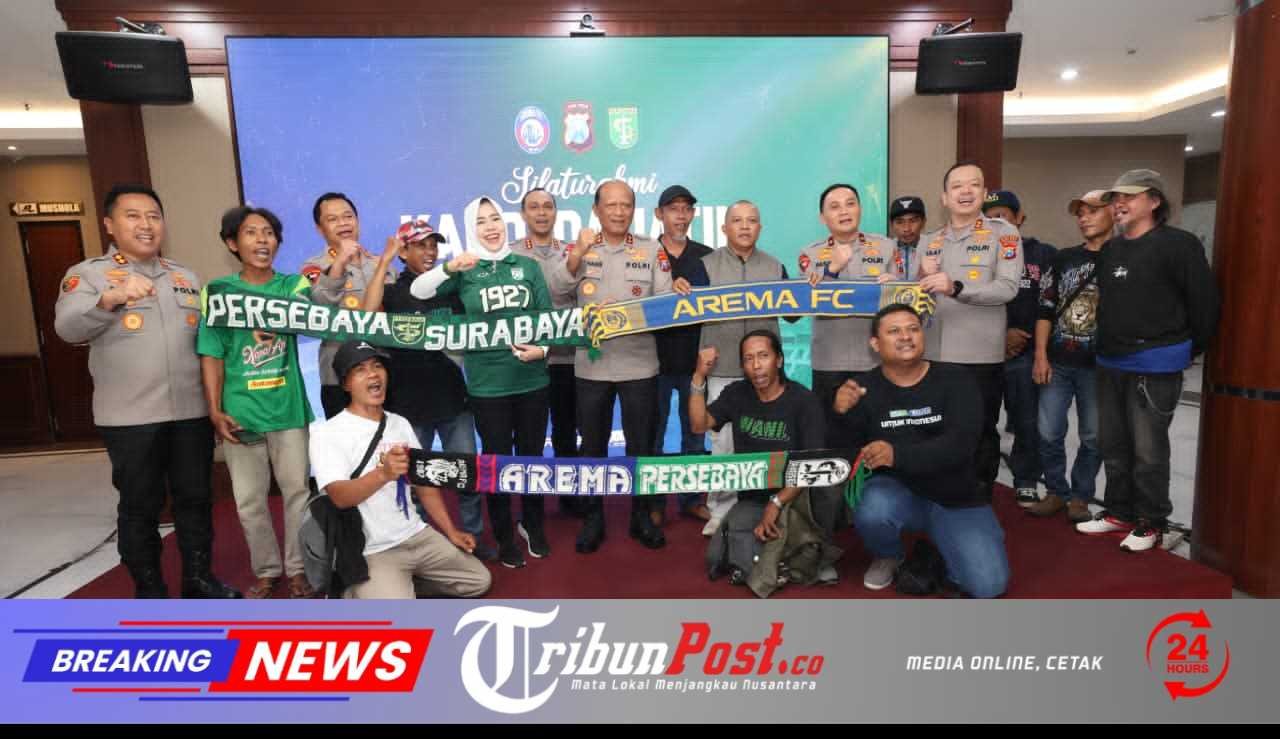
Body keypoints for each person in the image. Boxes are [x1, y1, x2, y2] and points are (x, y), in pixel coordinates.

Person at [54, 183, 240, 598]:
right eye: (133, 216)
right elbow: (67, 328)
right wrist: (111, 299)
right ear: (109, 224)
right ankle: (150, 589)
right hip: (131, 419)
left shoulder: (185, 277)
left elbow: (209, 345)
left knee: (196, 500)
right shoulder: (89, 274)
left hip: (190, 414)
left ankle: (198, 580)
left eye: (154, 216)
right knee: (140, 507)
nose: (146, 225)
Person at [1076, 169, 1219, 551]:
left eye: (1130, 196)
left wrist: (1186, 350)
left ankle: (1152, 522)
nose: (1119, 204)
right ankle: (1119, 512)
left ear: (1155, 201)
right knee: (1112, 445)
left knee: (1148, 450)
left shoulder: (1179, 245)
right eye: (1115, 198)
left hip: (1155, 364)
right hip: (1110, 361)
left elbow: (1205, 305)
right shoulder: (1112, 249)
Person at [411, 196, 553, 568]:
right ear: (471, 228)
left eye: (495, 219)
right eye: (481, 221)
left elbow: (548, 319)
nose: (490, 227)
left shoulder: (527, 266)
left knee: (532, 459)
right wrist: (450, 267)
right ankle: (504, 534)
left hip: (532, 381)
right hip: (488, 386)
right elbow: (418, 291)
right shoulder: (465, 269)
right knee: (495, 463)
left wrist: (542, 350)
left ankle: (532, 525)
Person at [832, 304, 1009, 598]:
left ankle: (939, 550)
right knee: (873, 506)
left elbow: (961, 446)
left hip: (955, 495)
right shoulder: (861, 388)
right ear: (875, 344)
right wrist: (841, 413)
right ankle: (889, 554)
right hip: (896, 492)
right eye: (894, 331)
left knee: (988, 586)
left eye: (913, 329)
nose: (906, 336)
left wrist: (897, 455)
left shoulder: (956, 379)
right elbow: (848, 454)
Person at [309, 340, 491, 599]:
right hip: (373, 549)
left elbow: (423, 484)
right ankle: (365, 589)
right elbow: (339, 497)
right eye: (360, 369)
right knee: (399, 613)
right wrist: (382, 474)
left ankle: (400, 585)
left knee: (478, 581)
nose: (373, 374)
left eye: (377, 366)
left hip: (416, 535)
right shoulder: (328, 433)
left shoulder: (399, 423)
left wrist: (451, 531)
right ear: (345, 384)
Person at [198, 206, 315, 599]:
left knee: (298, 493)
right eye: (251, 232)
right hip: (240, 412)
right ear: (232, 243)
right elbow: (211, 353)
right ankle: (266, 571)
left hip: (288, 410)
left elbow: (313, 314)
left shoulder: (293, 286)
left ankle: (298, 569)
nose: (262, 239)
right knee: (249, 501)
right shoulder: (218, 292)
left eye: (269, 232)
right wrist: (214, 410)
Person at [554, 180, 675, 553]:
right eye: (611, 205)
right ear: (596, 209)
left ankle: (642, 516)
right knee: (592, 447)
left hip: (639, 365)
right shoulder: (579, 248)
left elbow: (666, 303)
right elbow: (557, 292)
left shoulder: (651, 249)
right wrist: (577, 253)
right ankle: (593, 517)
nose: (619, 212)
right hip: (591, 368)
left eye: (626, 205)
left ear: (633, 210)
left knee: (642, 448)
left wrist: (627, 314)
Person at [359, 218, 490, 560]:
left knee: (467, 475)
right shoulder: (393, 292)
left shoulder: (449, 287)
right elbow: (366, 315)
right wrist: (384, 261)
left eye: (433, 245)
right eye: (421, 245)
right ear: (403, 252)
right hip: (409, 405)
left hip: (453, 399)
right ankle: (422, 548)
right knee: (415, 482)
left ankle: (473, 539)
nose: (430, 251)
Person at [917, 162, 1023, 502]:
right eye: (957, 186)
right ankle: (936, 501)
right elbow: (915, 300)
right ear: (944, 197)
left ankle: (977, 504)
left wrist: (957, 287)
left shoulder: (1003, 234)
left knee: (979, 433)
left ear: (983, 193)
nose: (965, 191)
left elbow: (1007, 288)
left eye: (973, 185)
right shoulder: (928, 242)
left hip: (979, 357)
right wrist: (903, 283)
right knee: (933, 430)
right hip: (932, 356)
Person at [799, 184, 900, 540]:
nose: (844, 211)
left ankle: (878, 516)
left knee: (879, 439)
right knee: (832, 443)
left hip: (876, 363)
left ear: (859, 209)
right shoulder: (811, 254)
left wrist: (896, 285)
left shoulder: (885, 248)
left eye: (850, 203)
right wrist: (832, 271)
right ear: (822, 217)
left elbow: (905, 306)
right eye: (834, 206)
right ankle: (832, 523)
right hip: (830, 363)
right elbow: (806, 307)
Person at [689, 330, 827, 590]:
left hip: (797, 497)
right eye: (748, 358)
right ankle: (780, 558)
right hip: (753, 498)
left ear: (779, 360)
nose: (756, 365)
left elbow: (812, 467)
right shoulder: (737, 393)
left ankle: (795, 553)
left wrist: (777, 503)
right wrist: (699, 377)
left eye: (763, 356)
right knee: (715, 557)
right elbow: (699, 425)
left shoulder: (803, 401)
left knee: (754, 557)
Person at [688, 200, 794, 536]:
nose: (745, 226)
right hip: (722, 369)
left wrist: (813, 285)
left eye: (751, 221)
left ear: (760, 227)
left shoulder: (775, 266)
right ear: (724, 228)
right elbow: (684, 310)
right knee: (723, 445)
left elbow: (794, 314)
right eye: (737, 220)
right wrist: (679, 288)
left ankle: (772, 504)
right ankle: (719, 511)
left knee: (770, 441)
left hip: (767, 375)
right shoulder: (705, 266)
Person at [1028, 190, 1111, 523]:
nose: (1084, 218)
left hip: (1100, 366)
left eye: (1092, 211)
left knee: (1093, 436)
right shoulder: (1063, 259)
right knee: (1048, 431)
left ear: (1113, 213)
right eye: (1080, 213)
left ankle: (1080, 496)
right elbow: (1045, 309)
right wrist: (1040, 355)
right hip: (1058, 362)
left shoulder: (1124, 258)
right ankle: (1055, 492)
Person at [982, 190, 1056, 507]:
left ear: (1019, 218)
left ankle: (1026, 480)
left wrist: (1027, 342)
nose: (996, 222)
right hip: (984, 352)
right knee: (981, 420)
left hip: (1025, 354)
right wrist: (1001, 335)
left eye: (1002, 216)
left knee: (1027, 421)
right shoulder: (976, 255)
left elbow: (1049, 302)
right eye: (989, 218)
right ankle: (982, 478)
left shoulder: (1042, 254)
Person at [515, 188, 584, 518]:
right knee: (527, 435)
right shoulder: (511, 253)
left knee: (566, 431)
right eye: (534, 207)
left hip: (565, 357)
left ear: (556, 212)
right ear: (523, 214)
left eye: (547, 206)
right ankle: (531, 502)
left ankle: (570, 496)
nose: (541, 213)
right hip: (526, 359)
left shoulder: (572, 251)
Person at [651, 185, 713, 525]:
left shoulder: (707, 256)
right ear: (659, 214)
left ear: (693, 215)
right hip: (653, 362)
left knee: (695, 433)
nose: (681, 215)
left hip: (695, 363)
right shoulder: (646, 253)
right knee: (655, 434)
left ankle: (691, 498)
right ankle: (654, 501)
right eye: (673, 208)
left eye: (686, 209)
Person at [302, 192, 393, 419]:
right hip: (338, 376)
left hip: (383, 371)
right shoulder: (313, 267)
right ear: (319, 229)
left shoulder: (380, 264)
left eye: (348, 216)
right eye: (332, 219)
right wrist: (340, 261)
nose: (343, 223)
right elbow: (321, 304)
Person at [889, 195, 927, 278]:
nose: (906, 228)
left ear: (923, 222)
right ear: (891, 225)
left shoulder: (934, 248)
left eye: (913, 221)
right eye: (899, 222)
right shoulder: (885, 249)